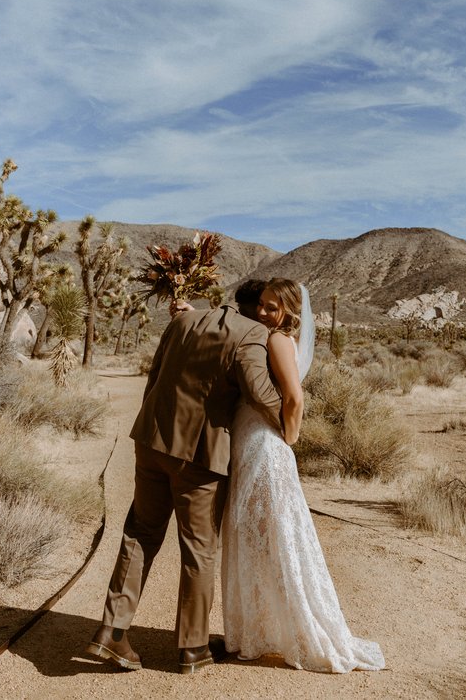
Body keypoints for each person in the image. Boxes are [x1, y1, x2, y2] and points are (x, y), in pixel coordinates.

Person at [87, 282, 282, 674]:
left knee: (140, 533)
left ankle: (111, 631)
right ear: (257, 310)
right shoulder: (253, 335)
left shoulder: (184, 321)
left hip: (151, 442)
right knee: (198, 548)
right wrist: (291, 414)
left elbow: (154, 376)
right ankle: (192, 647)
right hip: (199, 455)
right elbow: (260, 393)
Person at [222, 278, 386, 673]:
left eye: (272, 307)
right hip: (256, 437)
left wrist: (288, 437)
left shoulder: (278, 340)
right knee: (264, 534)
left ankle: (284, 630)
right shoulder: (275, 335)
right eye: (260, 304)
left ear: (290, 311)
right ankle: (261, 630)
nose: (262, 312)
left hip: (263, 440)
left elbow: (294, 397)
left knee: (268, 535)